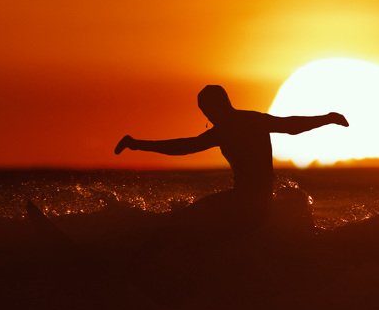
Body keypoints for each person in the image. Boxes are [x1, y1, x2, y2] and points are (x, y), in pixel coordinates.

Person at [114, 85, 348, 235]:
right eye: (203, 110)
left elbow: (183, 147)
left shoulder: (226, 130)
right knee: (183, 219)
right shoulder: (250, 120)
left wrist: (137, 144)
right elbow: (289, 126)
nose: (207, 115)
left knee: (178, 224)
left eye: (207, 109)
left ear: (219, 105)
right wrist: (328, 118)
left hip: (246, 204)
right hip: (258, 201)